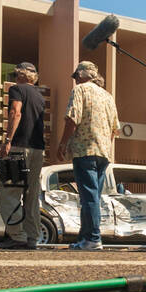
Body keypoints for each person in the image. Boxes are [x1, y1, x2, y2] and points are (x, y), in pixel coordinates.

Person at [57, 61, 118, 250]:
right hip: (103, 152)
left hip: (85, 150)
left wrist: (63, 143)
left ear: (82, 75)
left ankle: (93, 238)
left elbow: (72, 119)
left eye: (76, 76)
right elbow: (115, 129)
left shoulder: (80, 90)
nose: (75, 80)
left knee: (88, 196)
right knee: (92, 196)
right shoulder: (107, 96)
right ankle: (85, 238)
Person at [0, 62, 47, 249]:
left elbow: (15, 112)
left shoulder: (17, 90)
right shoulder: (40, 96)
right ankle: (32, 237)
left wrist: (8, 139)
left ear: (20, 75)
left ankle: (16, 235)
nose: (15, 78)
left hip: (19, 146)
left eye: (16, 74)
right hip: (38, 149)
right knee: (31, 195)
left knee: (10, 191)